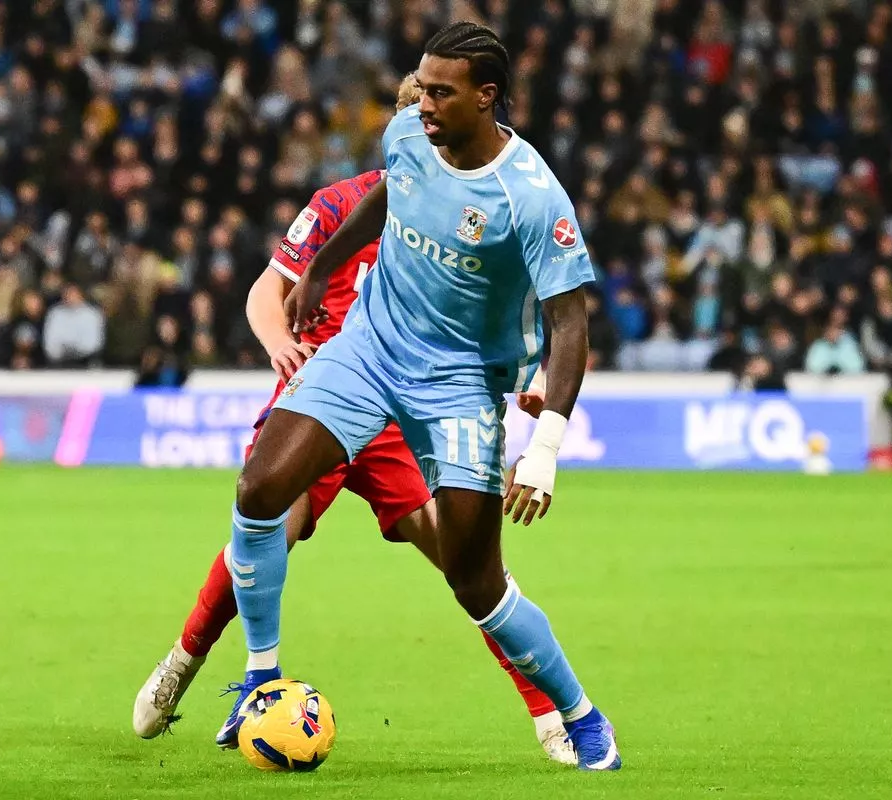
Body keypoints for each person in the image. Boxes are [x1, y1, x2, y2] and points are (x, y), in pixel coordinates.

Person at [132, 76, 574, 765]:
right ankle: (187, 663)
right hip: (332, 394)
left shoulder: (474, 208)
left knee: (467, 562)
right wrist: (279, 340)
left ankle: (548, 712)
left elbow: (514, 309)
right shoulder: (340, 203)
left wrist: (532, 373)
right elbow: (266, 289)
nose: (422, 134)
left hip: (406, 414)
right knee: (265, 524)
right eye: (411, 120)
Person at [228, 22, 619, 770]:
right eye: (422, 84)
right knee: (259, 490)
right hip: (368, 348)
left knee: (475, 581)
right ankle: (261, 674)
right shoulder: (409, 131)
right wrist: (322, 267)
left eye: (442, 91)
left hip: (461, 381)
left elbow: (571, 324)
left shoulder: (531, 196)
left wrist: (545, 449)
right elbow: (387, 197)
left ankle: (580, 712)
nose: (422, 102)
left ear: (487, 96)